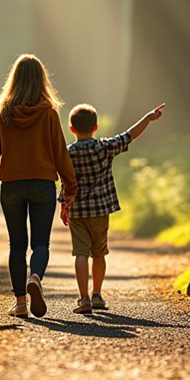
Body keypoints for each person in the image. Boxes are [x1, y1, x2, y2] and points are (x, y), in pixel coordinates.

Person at [0, 54, 77, 318]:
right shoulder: (48, 113)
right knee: (41, 243)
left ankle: (21, 303)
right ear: (42, 80)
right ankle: (35, 277)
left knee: (17, 246)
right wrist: (70, 185)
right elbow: (60, 153)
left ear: (14, 79)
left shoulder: (2, 111)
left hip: (11, 184)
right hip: (43, 183)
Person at [60, 102, 165, 314]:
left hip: (77, 210)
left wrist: (63, 204)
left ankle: (84, 299)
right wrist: (147, 117)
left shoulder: (67, 153)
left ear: (71, 129)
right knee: (99, 253)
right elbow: (129, 135)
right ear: (96, 127)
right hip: (100, 210)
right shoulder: (104, 147)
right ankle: (97, 294)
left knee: (80, 253)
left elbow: (65, 180)